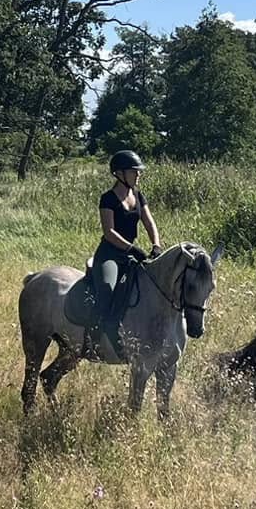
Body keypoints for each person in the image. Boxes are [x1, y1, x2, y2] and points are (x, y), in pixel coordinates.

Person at [89, 150, 160, 360]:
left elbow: (149, 222)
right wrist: (131, 248)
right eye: (133, 171)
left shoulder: (138, 195)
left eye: (138, 171)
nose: (138, 175)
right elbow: (109, 232)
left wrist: (156, 244)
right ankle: (93, 338)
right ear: (119, 173)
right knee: (107, 289)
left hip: (130, 256)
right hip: (110, 255)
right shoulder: (108, 199)